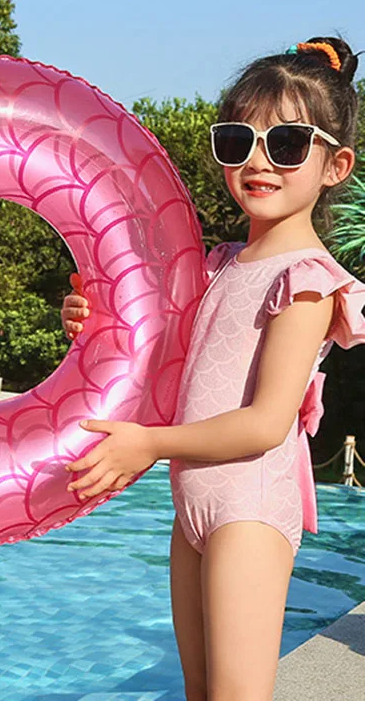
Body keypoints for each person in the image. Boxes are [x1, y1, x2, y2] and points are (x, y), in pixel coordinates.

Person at [60, 37, 365, 701]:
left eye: (286, 144)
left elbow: (263, 425)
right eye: (237, 141)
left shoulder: (307, 282)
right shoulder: (216, 264)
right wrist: (90, 320)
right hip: (193, 504)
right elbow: (155, 355)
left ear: (336, 164)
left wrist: (149, 444)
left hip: (249, 505)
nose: (258, 161)